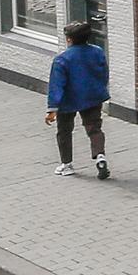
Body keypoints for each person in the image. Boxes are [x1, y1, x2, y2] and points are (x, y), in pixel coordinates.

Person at [46, 21, 110, 180]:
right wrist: (100, 88)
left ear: (69, 39)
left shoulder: (62, 59)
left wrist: (52, 108)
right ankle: (100, 156)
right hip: (92, 97)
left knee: (64, 131)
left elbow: (56, 85)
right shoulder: (97, 51)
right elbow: (104, 73)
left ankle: (67, 164)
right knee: (94, 128)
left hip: (68, 100)